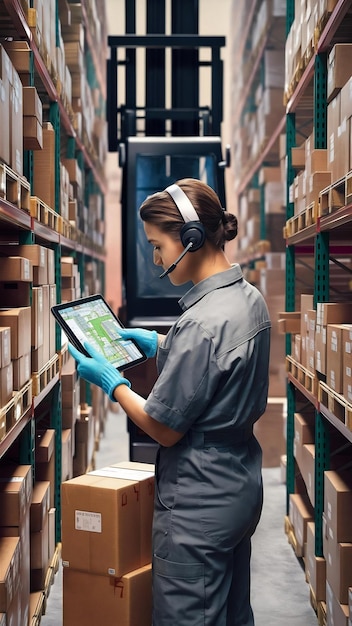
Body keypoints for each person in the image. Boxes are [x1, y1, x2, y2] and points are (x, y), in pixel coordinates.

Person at [69, 178, 271, 626]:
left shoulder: (201, 323)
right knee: (230, 612)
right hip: (238, 484)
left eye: (158, 246)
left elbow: (163, 427)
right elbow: (218, 368)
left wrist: (111, 382)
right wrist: (162, 344)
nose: (156, 258)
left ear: (191, 239)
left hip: (198, 498)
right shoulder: (248, 300)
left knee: (188, 616)